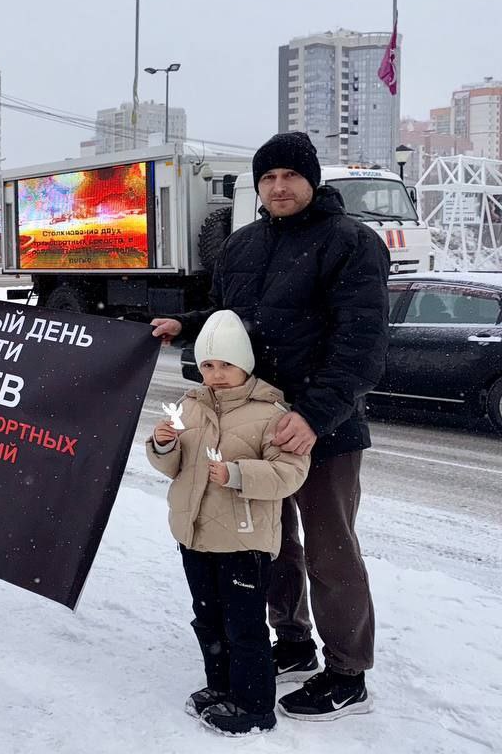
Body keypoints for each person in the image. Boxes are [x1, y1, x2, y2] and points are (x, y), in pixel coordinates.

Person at [150, 131, 388, 721]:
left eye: (290, 176)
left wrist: (313, 415)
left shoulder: (352, 244)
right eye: (268, 178)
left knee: (331, 550)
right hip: (253, 423)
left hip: (323, 429)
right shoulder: (242, 247)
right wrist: (185, 325)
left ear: (312, 181)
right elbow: (234, 321)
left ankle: (347, 672)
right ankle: (294, 640)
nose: (279, 187)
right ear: (257, 186)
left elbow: (361, 344)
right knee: (269, 543)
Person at [146, 310, 309, 736]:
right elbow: (173, 465)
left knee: (244, 627)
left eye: (226, 365)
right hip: (195, 534)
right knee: (208, 619)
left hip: (243, 542)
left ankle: (254, 707)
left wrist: (238, 475)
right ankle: (221, 688)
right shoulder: (189, 405)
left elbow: (290, 473)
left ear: (245, 365)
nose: (215, 375)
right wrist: (161, 445)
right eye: (208, 365)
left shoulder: (271, 413)